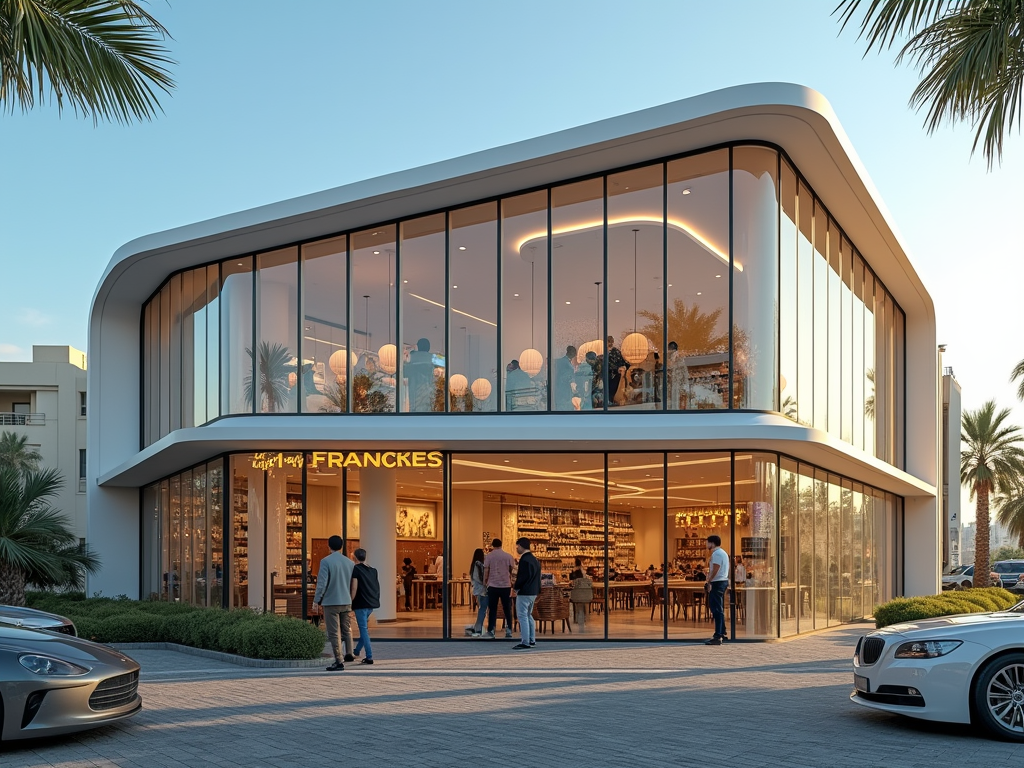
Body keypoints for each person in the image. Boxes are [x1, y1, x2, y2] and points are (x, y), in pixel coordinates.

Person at [313, 535, 356, 671]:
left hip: (331, 601)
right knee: (346, 628)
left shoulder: (326, 561)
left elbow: (322, 583)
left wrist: (316, 600)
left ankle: (339, 660)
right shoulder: (350, 563)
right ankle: (349, 652)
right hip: (346, 600)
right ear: (341, 546)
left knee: (333, 632)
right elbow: (352, 583)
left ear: (328, 545)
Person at [350, 548, 380, 665]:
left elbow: (354, 587)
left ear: (355, 558)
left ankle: (369, 656)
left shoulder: (356, 569)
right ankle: (357, 651)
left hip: (360, 603)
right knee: (364, 630)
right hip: (370, 603)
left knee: (363, 629)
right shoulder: (373, 570)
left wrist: (351, 602)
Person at [483, 538, 515, 639]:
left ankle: (491, 630)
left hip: (493, 585)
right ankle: (509, 629)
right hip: (505, 585)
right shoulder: (508, 556)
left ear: (492, 545)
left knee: (492, 609)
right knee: (507, 608)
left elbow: (486, 570)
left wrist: (485, 582)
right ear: (501, 545)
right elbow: (512, 570)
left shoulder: (489, 556)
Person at [512, 537, 541, 649]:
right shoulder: (534, 559)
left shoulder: (524, 560)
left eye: (517, 546)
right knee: (529, 615)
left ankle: (525, 641)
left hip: (524, 592)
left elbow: (522, 577)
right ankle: (532, 639)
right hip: (533, 592)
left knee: (522, 616)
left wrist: (516, 588)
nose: (517, 549)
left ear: (521, 546)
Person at [704, 534, 730, 645]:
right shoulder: (722, 553)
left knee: (716, 608)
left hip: (718, 582)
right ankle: (722, 632)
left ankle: (717, 635)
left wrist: (709, 580)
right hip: (722, 581)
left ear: (712, 543)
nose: (706, 544)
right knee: (718, 607)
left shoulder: (717, 554)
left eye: (707, 542)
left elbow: (716, 568)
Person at [406, 337, 435, 412]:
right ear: (428, 348)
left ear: (418, 346)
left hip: (415, 394)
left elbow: (404, 373)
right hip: (428, 393)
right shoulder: (433, 359)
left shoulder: (412, 358)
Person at [467, 548, 488, 636]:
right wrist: (485, 583)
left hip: (477, 589)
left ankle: (477, 626)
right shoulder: (478, 565)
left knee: (482, 608)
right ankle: (478, 627)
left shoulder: (474, 565)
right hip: (482, 590)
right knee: (483, 609)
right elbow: (479, 578)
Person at [569, 557, 593, 632]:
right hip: (585, 593)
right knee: (582, 605)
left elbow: (572, 580)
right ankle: (584, 616)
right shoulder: (582, 571)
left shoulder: (575, 571)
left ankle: (578, 617)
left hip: (577, 593)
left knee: (578, 605)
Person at [605, 335, 628, 406]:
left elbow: (624, 363)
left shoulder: (615, 352)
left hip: (615, 376)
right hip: (609, 375)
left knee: (613, 390)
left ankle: (612, 402)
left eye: (610, 341)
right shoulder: (605, 352)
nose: (610, 343)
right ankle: (610, 401)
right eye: (609, 341)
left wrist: (621, 368)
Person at [554, 345, 577, 410]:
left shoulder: (561, 361)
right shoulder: (565, 363)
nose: (575, 355)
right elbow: (566, 377)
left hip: (562, 389)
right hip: (563, 390)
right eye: (574, 353)